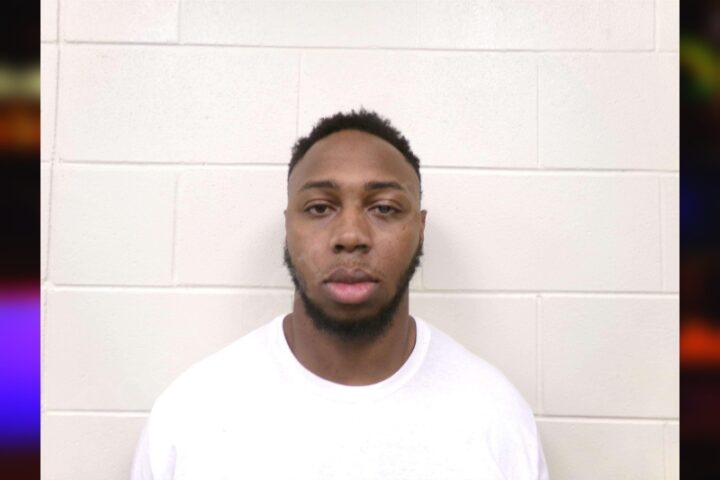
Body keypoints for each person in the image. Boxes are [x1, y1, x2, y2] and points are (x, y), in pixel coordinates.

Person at [131, 110, 549, 479]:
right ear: (288, 227)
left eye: (384, 208)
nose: (350, 236)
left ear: (419, 230)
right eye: (319, 207)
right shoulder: (190, 417)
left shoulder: (496, 418)